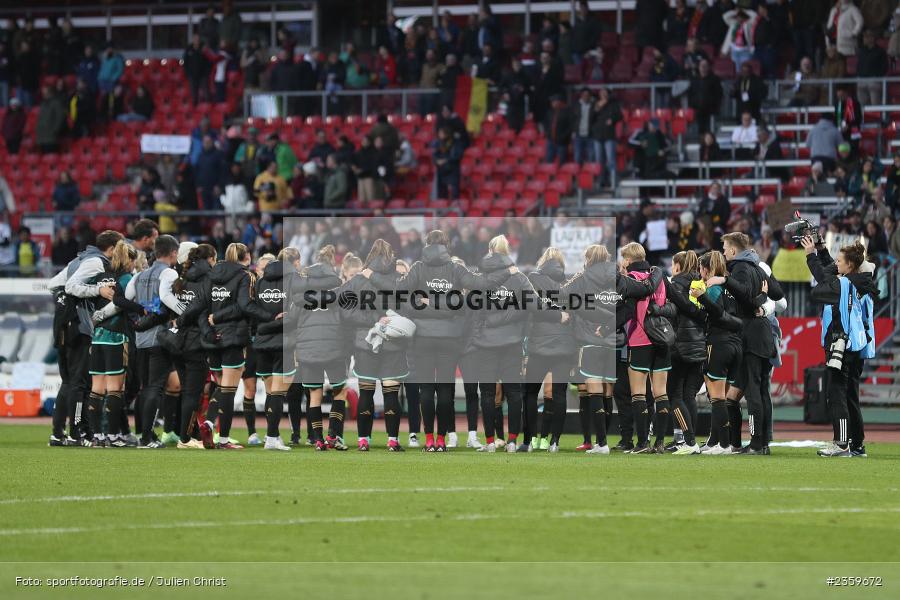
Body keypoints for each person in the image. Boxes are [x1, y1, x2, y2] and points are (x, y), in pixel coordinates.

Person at [368, 230, 514, 452]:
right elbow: (482, 284)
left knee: (426, 391)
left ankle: (428, 440)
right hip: (450, 338)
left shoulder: (418, 268)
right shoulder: (456, 268)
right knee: (445, 391)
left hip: (423, 338)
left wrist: (373, 277)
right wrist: (508, 272)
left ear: (427, 244)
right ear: (447, 246)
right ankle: (441, 440)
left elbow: (397, 289)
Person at [706, 232, 784, 454]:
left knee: (753, 393)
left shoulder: (740, 267)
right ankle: (747, 443)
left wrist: (724, 280)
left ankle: (757, 443)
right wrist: (761, 298)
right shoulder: (757, 266)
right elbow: (777, 292)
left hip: (750, 337)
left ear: (732, 250)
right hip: (761, 335)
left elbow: (743, 293)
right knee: (745, 393)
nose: (723, 252)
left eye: (724, 248)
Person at [47, 230, 125, 446]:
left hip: (63, 325)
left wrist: (65, 304)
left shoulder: (79, 259)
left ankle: (57, 433)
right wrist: (97, 290)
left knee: (70, 381)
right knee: (79, 384)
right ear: (111, 248)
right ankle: (76, 433)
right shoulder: (96, 263)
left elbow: (54, 284)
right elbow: (72, 286)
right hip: (79, 327)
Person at [803, 236, 876, 457]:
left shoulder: (843, 284)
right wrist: (822, 250)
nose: (835, 263)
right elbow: (830, 274)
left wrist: (810, 256)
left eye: (839, 261)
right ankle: (857, 445)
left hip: (841, 344)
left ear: (849, 266)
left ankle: (841, 443)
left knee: (837, 394)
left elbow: (820, 284)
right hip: (857, 346)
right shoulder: (860, 283)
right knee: (851, 395)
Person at [465, 235, 534, 453]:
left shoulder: (480, 276)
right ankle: (512, 441)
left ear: (490, 251)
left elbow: (472, 308)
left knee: (486, 393)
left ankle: (489, 442)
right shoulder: (519, 277)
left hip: (485, 344)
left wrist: (480, 331)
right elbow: (530, 306)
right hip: (512, 343)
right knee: (514, 393)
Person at [200, 243, 269, 449]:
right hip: (233, 336)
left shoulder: (212, 275)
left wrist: (209, 329)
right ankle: (223, 440)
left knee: (221, 387)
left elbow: (203, 308)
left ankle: (210, 423)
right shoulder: (245, 276)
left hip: (212, 339)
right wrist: (270, 316)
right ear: (246, 256)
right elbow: (243, 306)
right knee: (229, 389)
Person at [340, 240, 407, 451]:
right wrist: (386, 318)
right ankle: (393, 440)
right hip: (394, 343)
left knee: (366, 392)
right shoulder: (399, 279)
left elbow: (345, 311)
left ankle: (363, 440)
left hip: (365, 342)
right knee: (391, 393)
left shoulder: (359, 280)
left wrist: (372, 320)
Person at [125, 235, 185, 448]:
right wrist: (185, 312)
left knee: (146, 388)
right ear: (173, 253)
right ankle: (146, 437)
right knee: (154, 388)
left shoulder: (140, 275)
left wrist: (138, 315)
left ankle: (143, 433)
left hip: (140, 339)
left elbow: (126, 297)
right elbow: (166, 297)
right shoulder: (168, 272)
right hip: (159, 337)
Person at [85, 241, 142, 447]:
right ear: (131, 260)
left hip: (97, 336)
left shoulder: (102, 277)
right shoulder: (127, 278)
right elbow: (120, 304)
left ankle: (97, 437)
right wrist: (141, 309)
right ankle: (112, 435)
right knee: (115, 388)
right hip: (116, 336)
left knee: (96, 389)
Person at [689, 250, 744, 454]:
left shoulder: (711, 288)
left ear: (705, 268)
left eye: (701, 269)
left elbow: (711, 314)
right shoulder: (731, 286)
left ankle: (724, 444)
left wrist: (699, 300)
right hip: (736, 344)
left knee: (717, 398)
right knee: (721, 397)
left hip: (718, 343)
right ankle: (715, 441)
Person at [621, 242, 670, 453]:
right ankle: (659, 442)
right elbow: (673, 304)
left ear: (628, 260)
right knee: (661, 393)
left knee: (638, 394)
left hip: (640, 339)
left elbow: (627, 311)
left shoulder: (631, 280)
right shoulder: (660, 279)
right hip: (662, 340)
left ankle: (642, 443)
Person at [169, 243, 217, 449]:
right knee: (193, 393)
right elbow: (201, 306)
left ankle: (188, 435)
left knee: (186, 392)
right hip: (196, 342)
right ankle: (185, 439)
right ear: (210, 259)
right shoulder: (208, 280)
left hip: (177, 342)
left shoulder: (181, 279)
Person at [251, 248, 299, 451]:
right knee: (278, 393)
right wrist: (277, 320)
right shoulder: (294, 281)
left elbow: (254, 310)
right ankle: (271, 437)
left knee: (271, 392)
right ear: (294, 262)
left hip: (262, 342)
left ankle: (274, 435)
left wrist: (265, 325)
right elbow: (294, 316)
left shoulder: (261, 280)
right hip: (284, 342)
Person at [664, 251, 706, 454]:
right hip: (699, 345)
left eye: (673, 265)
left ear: (678, 266)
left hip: (680, 346)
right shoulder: (700, 284)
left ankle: (688, 442)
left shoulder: (675, 285)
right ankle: (691, 441)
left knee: (675, 396)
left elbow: (672, 313)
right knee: (689, 395)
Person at [591, 88, 622, 188]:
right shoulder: (596, 104)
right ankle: (601, 181)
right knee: (599, 160)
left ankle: (612, 181)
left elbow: (620, 116)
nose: (603, 94)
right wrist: (598, 107)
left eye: (605, 93)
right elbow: (591, 117)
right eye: (601, 93)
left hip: (609, 135)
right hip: (598, 135)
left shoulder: (613, 104)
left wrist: (612, 120)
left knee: (610, 160)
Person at [688, 59, 722, 133]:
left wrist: (716, 107)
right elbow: (690, 94)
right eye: (701, 66)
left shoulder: (714, 79)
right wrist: (691, 106)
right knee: (700, 129)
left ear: (708, 67)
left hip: (710, 110)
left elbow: (719, 94)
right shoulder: (694, 79)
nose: (703, 68)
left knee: (710, 130)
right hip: (697, 109)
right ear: (699, 67)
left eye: (705, 66)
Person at [432, 127, 463, 200]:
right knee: (442, 194)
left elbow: (457, 155)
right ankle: (443, 207)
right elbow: (435, 155)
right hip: (442, 171)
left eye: (441, 133)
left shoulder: (455, 143)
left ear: (446, 134)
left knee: (454, 192)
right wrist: (437, 161)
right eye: (439, 133)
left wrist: (446, 160)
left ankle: (454, 207)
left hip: (452, 170)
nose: (439, 135)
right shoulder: (438, 143)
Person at [36, 85, 66, 154]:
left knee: (51, 157)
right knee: (44, 161)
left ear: (50, 93)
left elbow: (60, 117)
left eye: (45, 92)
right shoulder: (43, 103)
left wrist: (55, 130)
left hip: (51, 137)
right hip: (41, 136)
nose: (43, 94)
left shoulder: (56, 103)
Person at [183, 33, 210, 105]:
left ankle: (206, 109)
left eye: (198, 39)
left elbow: (208, 61)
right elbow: (185, 62)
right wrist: (187, 73)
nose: (196, 41)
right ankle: (195, 110)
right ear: (193, 40)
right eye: (195, 39)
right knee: (194, 94)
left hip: (203, 75)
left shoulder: (203, 49)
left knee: (206, 93)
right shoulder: (189, 49)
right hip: (192, 75)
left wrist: (207, 73)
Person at [572, 88, 594, 165]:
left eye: (587, 95)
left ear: (590, 96)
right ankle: (578, 175)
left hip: (590, 135)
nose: (586, 97)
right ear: (581, 96)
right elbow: (572, 120)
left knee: (591, 156)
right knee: (577, 156)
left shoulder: (593, 105)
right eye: (584, 95)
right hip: (578, 134)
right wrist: (573, 131)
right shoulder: (575, 105)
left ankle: (590, 175)